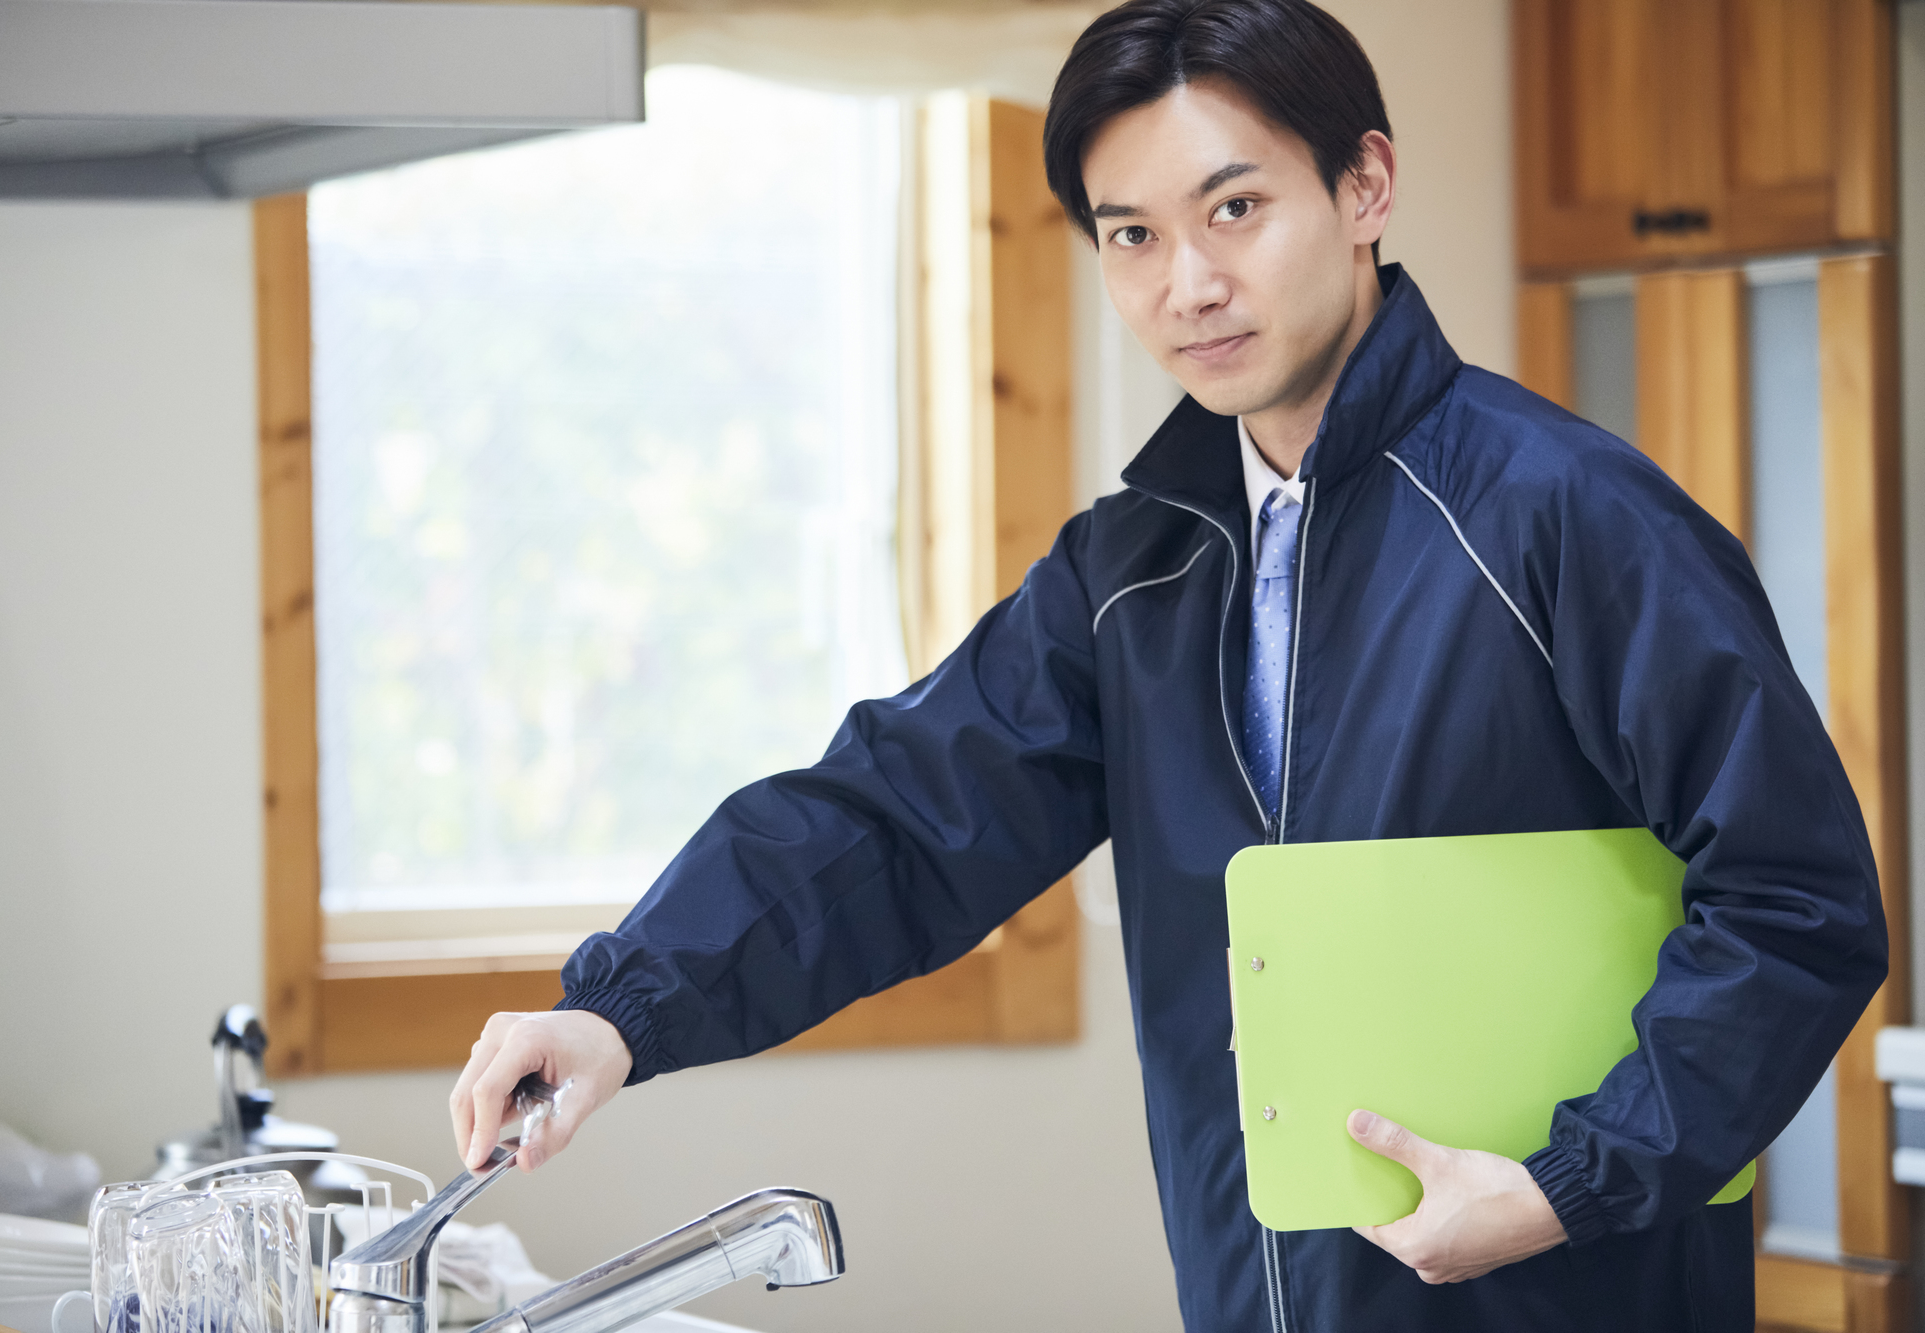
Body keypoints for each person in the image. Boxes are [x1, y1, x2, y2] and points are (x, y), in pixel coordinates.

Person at [448, 1, 1887, 1327]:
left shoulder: (1570, 518)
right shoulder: (1133, 570)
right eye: (1130, 234)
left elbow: (1795, 898)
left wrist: (1571, 1179)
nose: (1187, 281)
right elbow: (896, 822)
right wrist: (618, 1007)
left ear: (1365, 187)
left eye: (1236, 208)